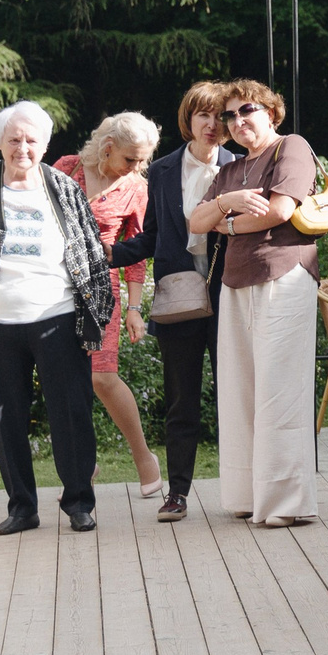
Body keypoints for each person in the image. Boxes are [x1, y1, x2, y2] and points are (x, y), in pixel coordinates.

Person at [0, 101, 116, 534]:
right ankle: (22, 507)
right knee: (4, 416)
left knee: (71, 413)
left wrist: (100, 313)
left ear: (46, 144)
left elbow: (91, 252)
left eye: (31, 140)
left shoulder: (64, 189)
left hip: (58, 317)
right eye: (13, 139)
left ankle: (78, 503)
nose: (22, 147)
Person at [193, 80, 321, 527]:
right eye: (229, 116)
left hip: (284, 275)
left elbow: (280, 211)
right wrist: (226, 202)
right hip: (235, 282)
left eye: (246, 110)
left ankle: (286, 502)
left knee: (280, 389)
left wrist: (225, 225)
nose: (238, 121)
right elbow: (195, 219)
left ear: (271, 111)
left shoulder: (291, 147)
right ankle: (247, 495)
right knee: (239, 390)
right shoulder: (228, 172)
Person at [114, 83, 233, 524]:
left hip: (230, 297)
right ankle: (178, 493)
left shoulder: (239, 167)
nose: (212, 124)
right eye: (204, 115)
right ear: (189, 120)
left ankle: (243, 487)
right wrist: (109, 253)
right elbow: (153, 235)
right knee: (181, 399)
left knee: (234, 395)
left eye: (221, 116)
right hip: (178, 298)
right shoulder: (162, 171)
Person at [55, 112, 161, 495]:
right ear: (107, 147)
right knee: (65, 380)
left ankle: (142, 455)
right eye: (131, 159)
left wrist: (135, 308)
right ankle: (84, 460)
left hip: (103, 288)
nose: (137, 167)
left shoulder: (136, 188)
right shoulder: (65, 169)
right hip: (55, 285)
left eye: (143, 160)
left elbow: (136, 251)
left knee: (101, 376)